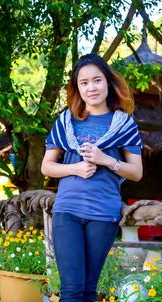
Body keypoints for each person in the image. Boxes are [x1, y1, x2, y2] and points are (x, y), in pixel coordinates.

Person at [41, 53, 143, 302]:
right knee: (72, 290)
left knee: (87, 290)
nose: (91, 88)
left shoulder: (124, 125)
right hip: (68, 211)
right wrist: (75, 169)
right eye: (84, 83)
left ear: (107, 82)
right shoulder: (66, 122)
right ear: (78, 88)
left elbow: (136, 172)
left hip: (103, 214)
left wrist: (106, 160)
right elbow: (47, 166)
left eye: (96, 80)